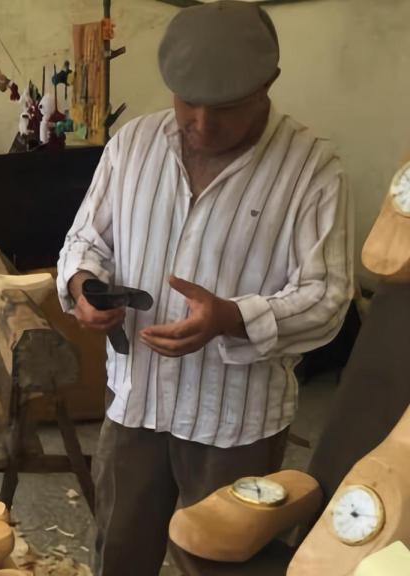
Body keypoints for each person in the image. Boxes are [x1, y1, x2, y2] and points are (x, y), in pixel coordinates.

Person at [55, 2, 353, 574]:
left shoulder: (314, 168)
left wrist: (233, 318)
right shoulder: (134, 145)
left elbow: (327, 298)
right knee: (117, 554)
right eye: (187, 102)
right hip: (135, 406)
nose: (202, 123)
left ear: (269, 84)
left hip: (235, 423)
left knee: (224, 564)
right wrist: (84, 283)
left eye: (227, 109)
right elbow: (85, 240)